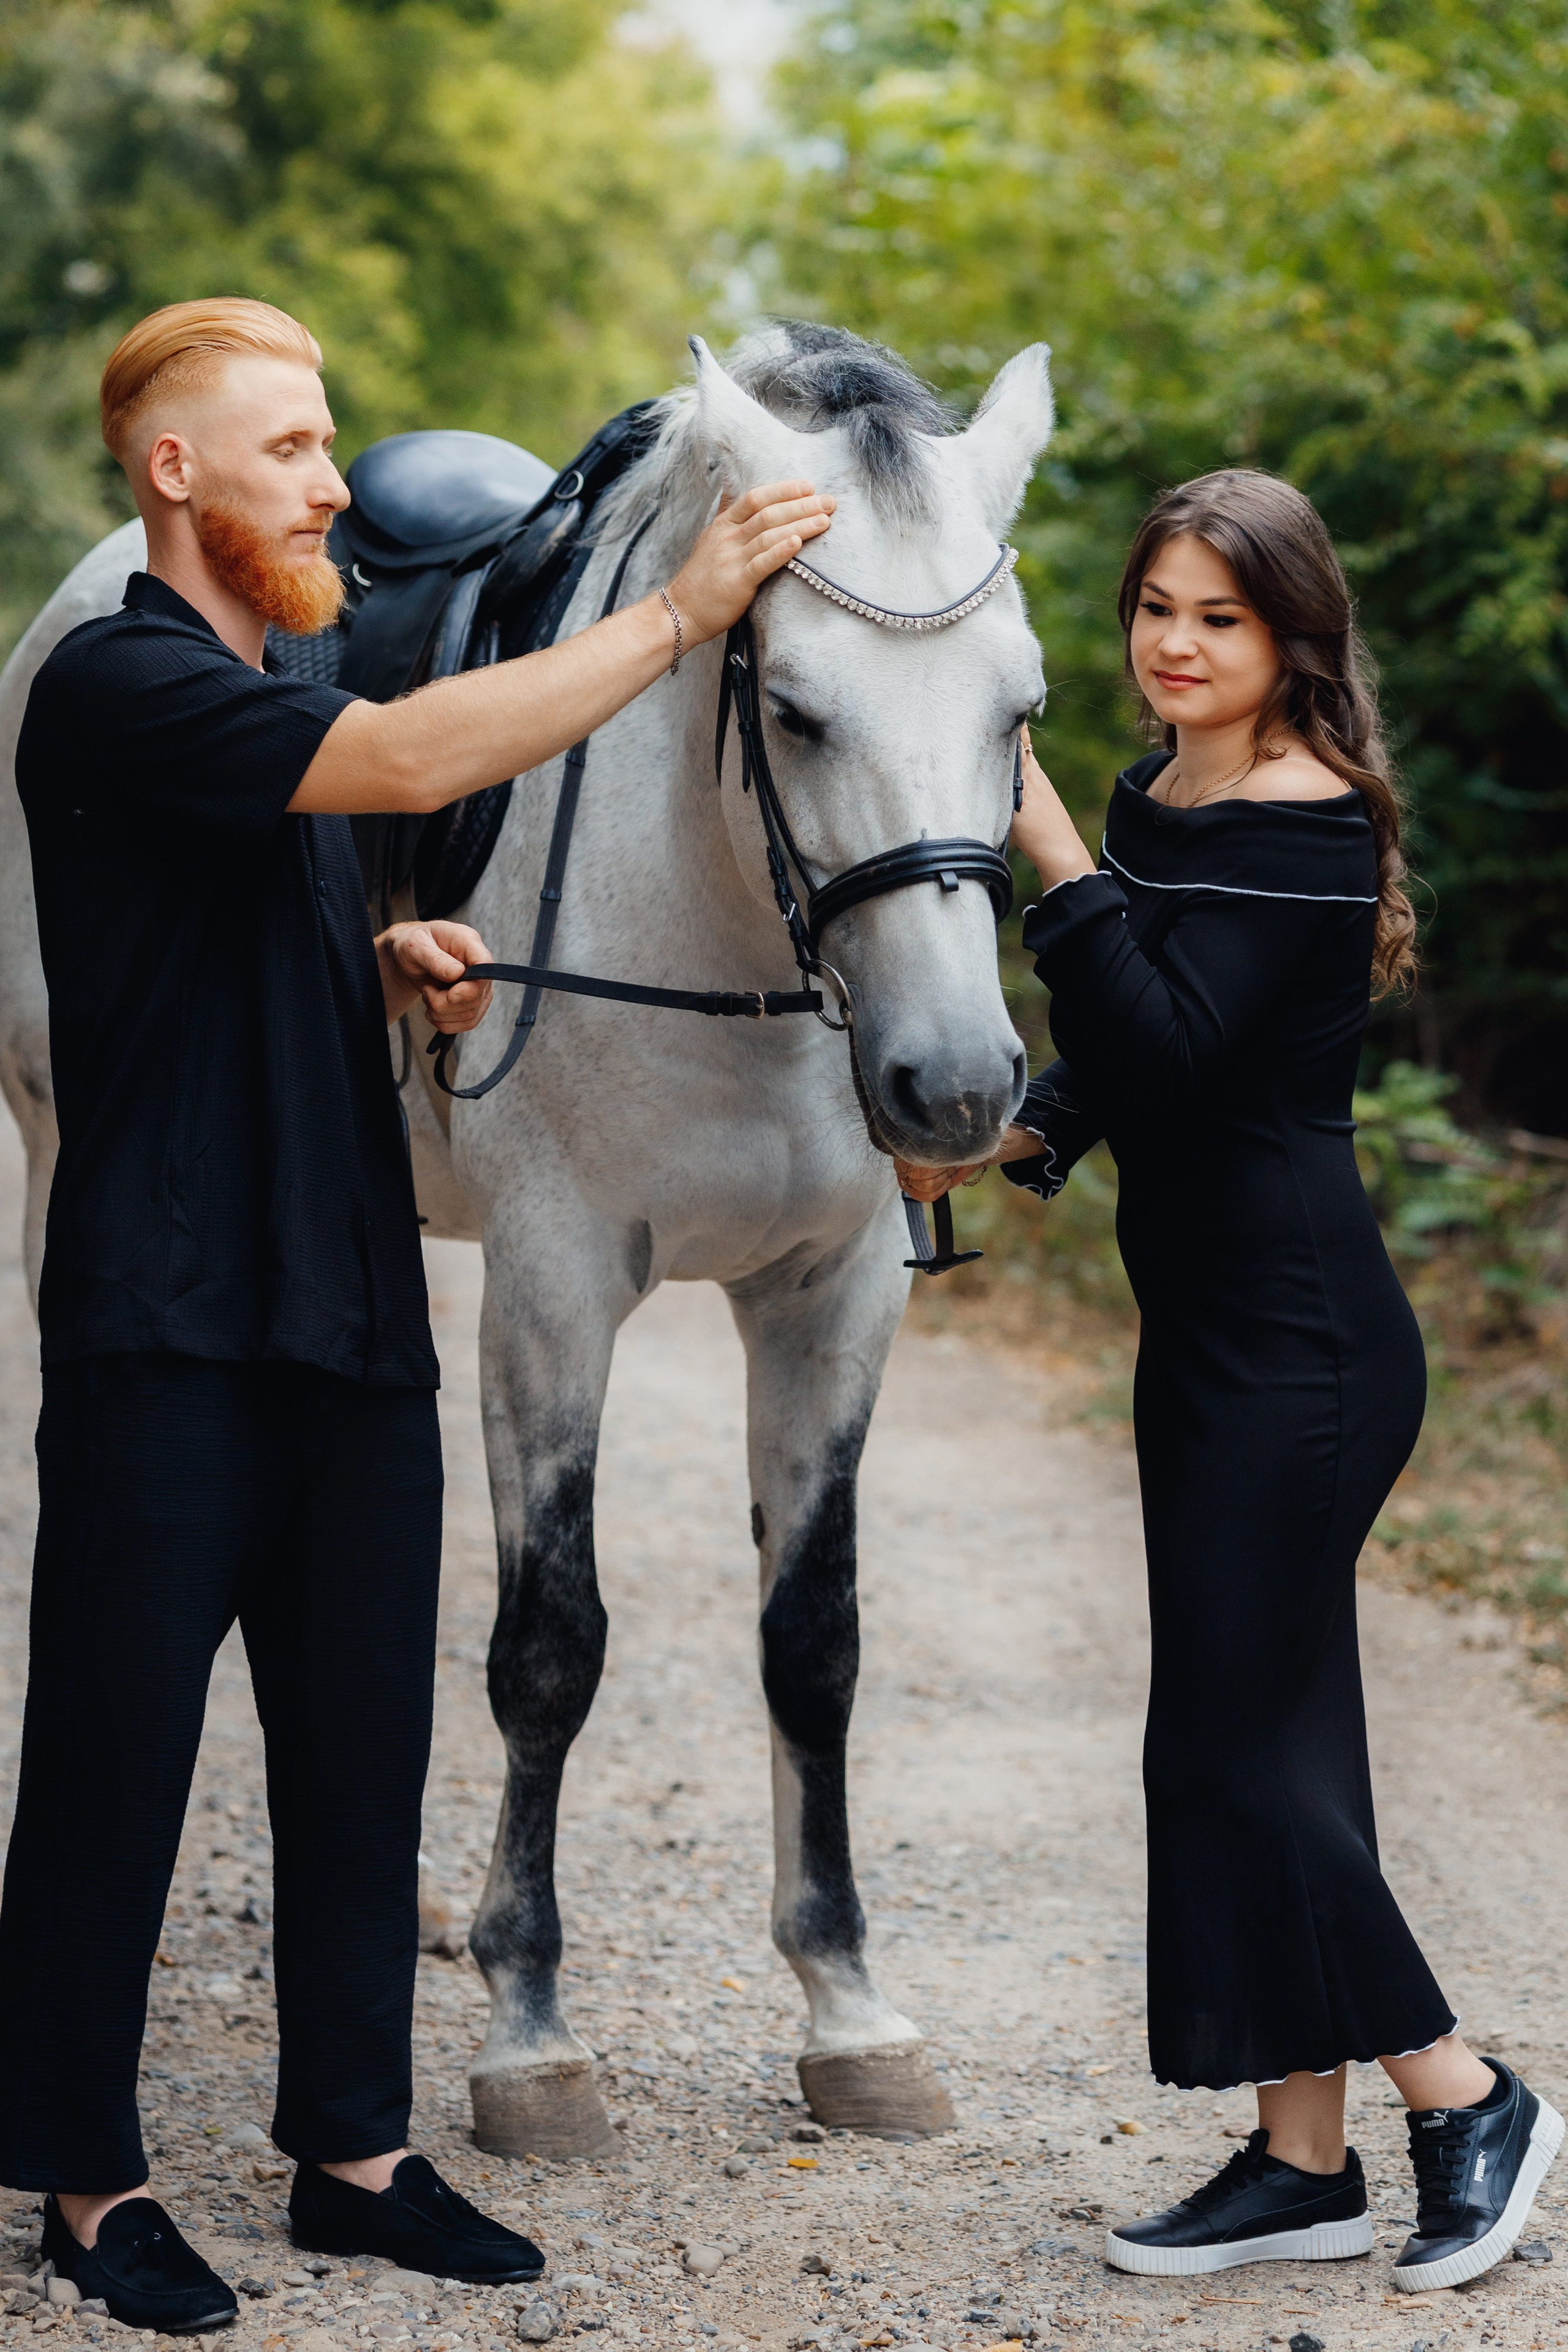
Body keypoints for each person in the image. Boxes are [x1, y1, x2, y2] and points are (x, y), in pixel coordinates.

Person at [0, 296, 835, 2333]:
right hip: (167, 1317)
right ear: (173, 470)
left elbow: (273, 901)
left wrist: (396, 960)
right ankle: (89, 2193)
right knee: (117, 1764)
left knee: (364, 1755)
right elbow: (400, 751)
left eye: (331, 435)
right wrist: (674, 617)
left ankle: (354, 2161)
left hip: (352, 1311)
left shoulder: (282, 681)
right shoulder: (120, 682)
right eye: (289, 443)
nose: (334, 474)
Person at [899, 470, 1561, 2293]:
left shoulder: (1308, 814)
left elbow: (1183, 1046)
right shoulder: (1162, 795)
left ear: (1293, 641)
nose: (1176, 646)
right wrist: (1011, 1137)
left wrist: (1048, 852)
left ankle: (1470, 2089)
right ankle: (1301, 2160)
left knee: (1225, 1743)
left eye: (1221, 617)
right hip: (1205, 1344)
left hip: (1308, 1348)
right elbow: (1125, 1059)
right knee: (1266, 1741)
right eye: (1156, 610)